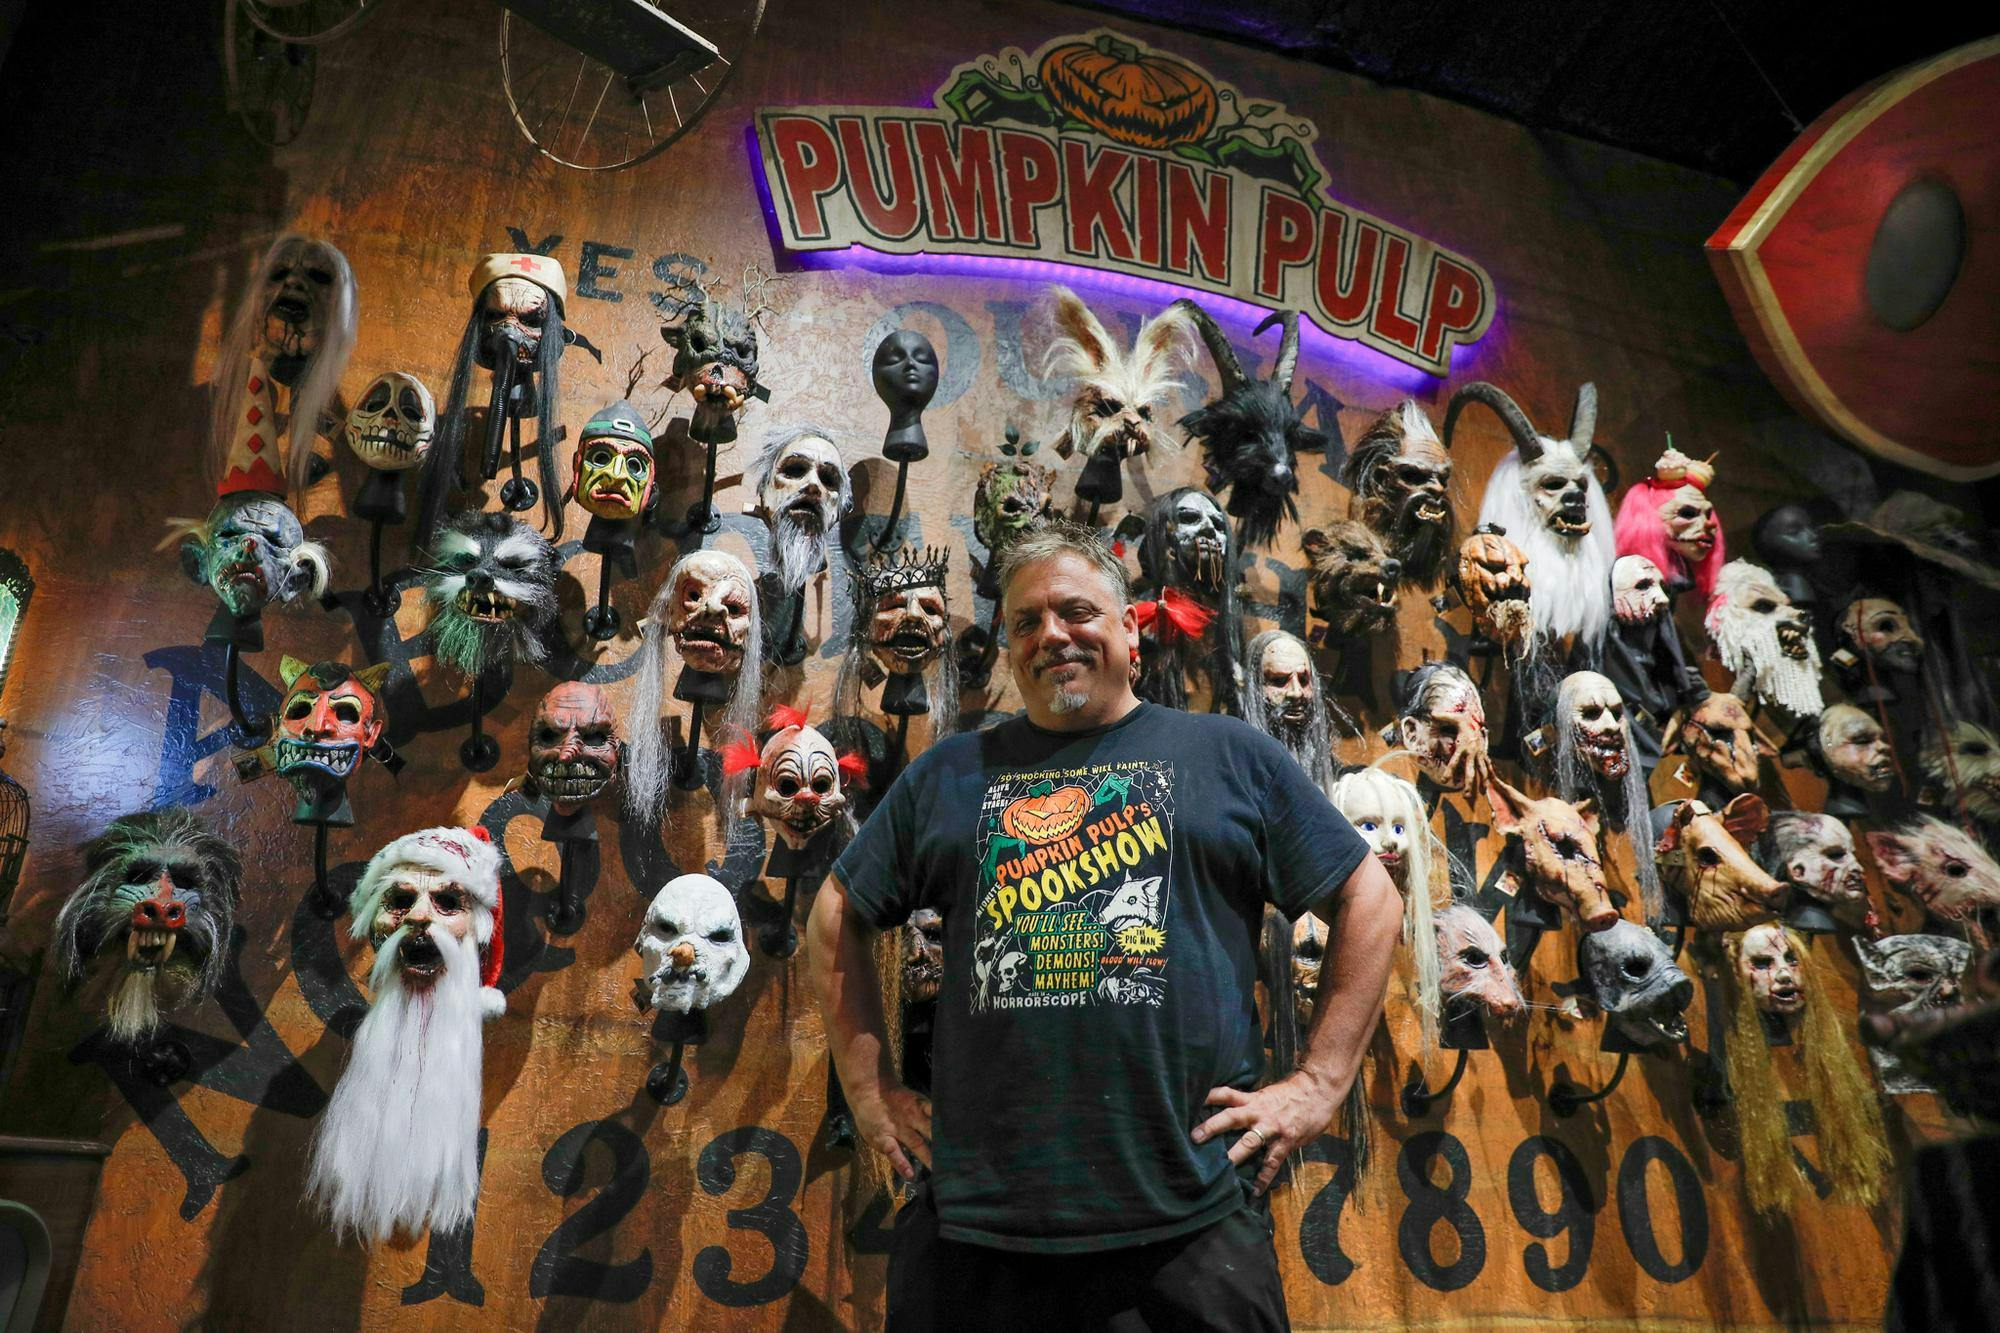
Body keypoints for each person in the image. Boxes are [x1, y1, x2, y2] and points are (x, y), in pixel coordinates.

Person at [807, 519, 1401, 1330]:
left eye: (1076, 611)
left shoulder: (1227, 754)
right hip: (977, 1228)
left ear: (1131, 628)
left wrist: (1320, 1082)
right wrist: (869, 1088)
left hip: (1189, 1219)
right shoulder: (950, 772)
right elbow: (838, 911)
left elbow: (1371, 896)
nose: (1052, 634)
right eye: (1025, 621)